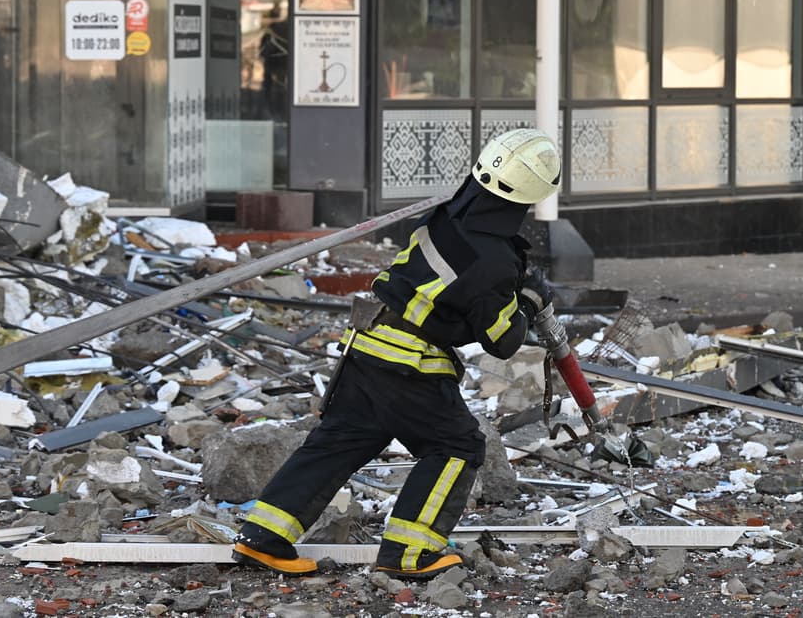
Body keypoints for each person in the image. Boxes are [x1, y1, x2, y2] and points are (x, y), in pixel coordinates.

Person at [232, 128, 562, 580]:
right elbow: (501, 340)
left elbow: (448, 294)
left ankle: (263, 538)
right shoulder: (494, 258)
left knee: (337, 443)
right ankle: (411, 553)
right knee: (457, 445)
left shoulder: (443, 216)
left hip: (366, 347)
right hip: (410, 365)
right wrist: (526, 297)